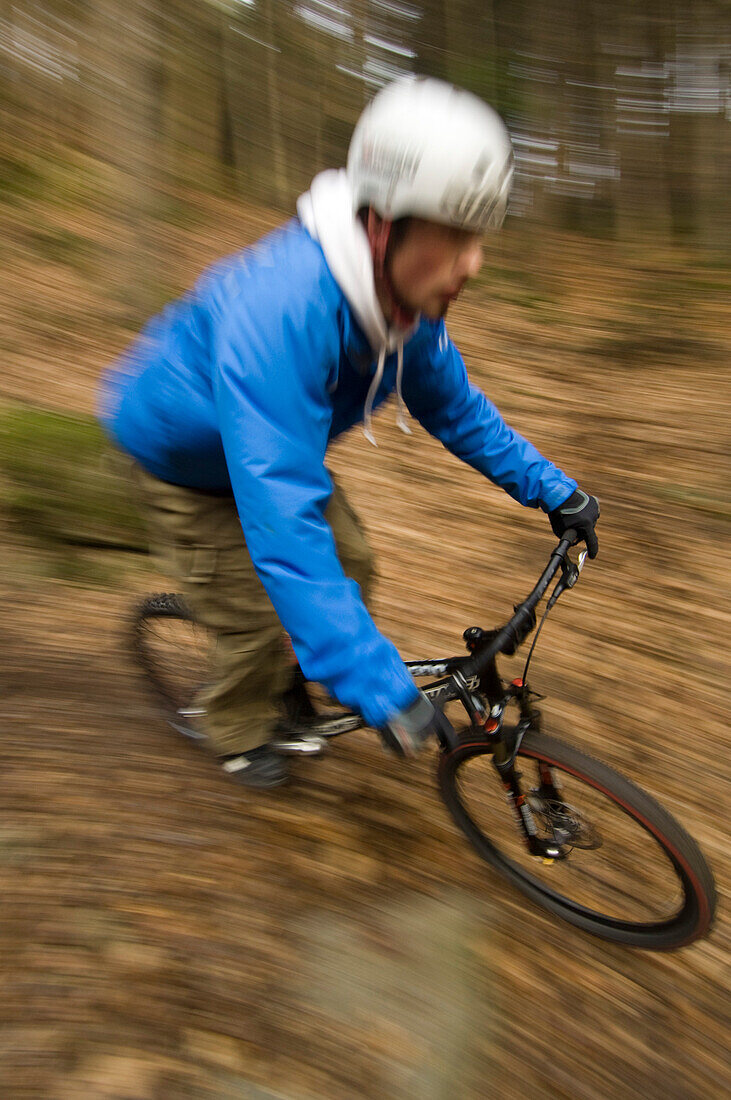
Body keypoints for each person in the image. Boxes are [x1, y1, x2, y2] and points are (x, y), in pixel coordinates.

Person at [99, 77, 599, 789]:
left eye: (478, 236)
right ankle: (235, 731)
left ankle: (294, 672)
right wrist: (378, 686)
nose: (474, 261)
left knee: (354, 562)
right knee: (248, 622)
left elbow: (455, 410)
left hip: (262, 454)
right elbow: (283, 526)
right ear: (379, 224)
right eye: (454, 234)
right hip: (178, 463)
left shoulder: (403, 308)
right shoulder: (280, 312)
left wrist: (555, 492)